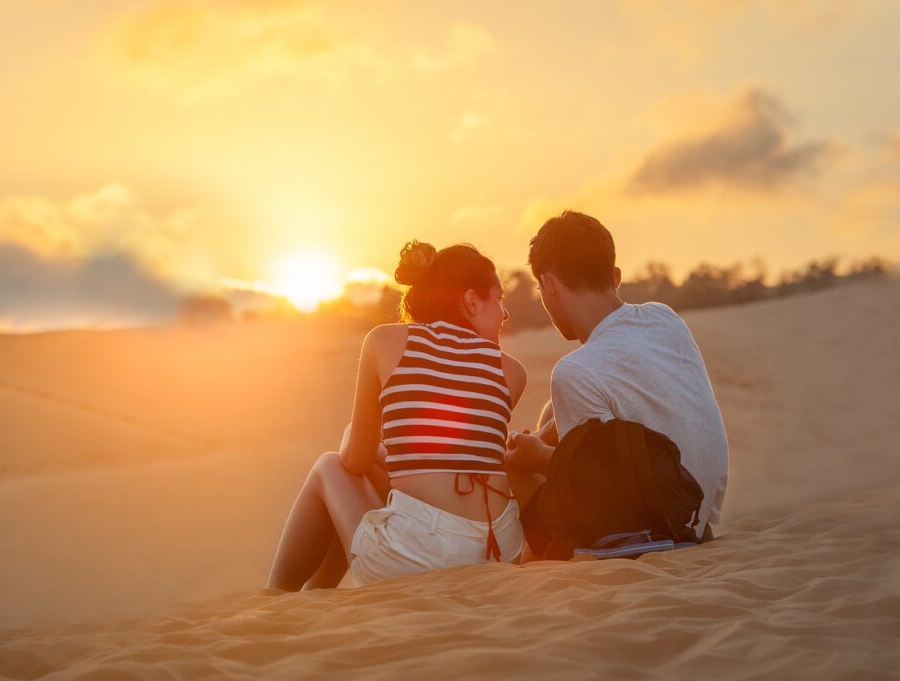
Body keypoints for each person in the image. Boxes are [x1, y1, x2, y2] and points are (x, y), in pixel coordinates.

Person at [267, 241, 528, 590]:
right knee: (378, 480)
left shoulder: (383, 341)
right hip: (500, 550)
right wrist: (381, 455)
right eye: (499, 300)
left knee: (329, 466)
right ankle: (316, 599)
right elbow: (444, 457)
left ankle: (275, 596)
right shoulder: (512, 372)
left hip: (425, 556)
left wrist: (351, 437)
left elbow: (355, 461)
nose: (504, 314)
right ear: (470, 301)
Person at [506, 211, 728, 557]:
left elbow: (592, 480)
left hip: (658, 527)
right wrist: (540, 437)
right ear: (615, 277)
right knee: (554, 410)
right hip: (696, 513)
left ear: (548, 285)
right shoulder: (665, 318)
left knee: (516, 466)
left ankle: (532, 563)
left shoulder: (575, 370)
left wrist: (534, 456)